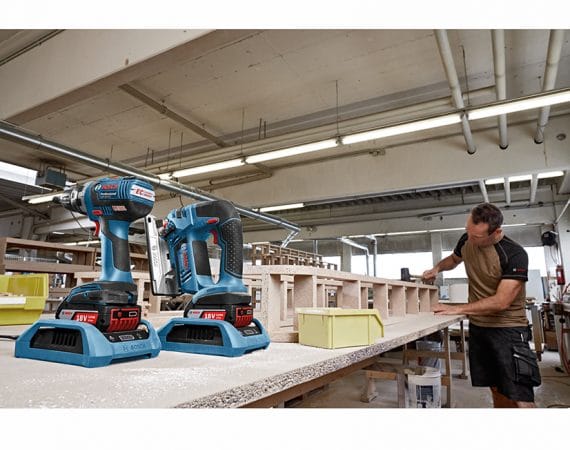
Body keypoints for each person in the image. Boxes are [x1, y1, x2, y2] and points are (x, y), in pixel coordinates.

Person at [422, 203, 541, 408]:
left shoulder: (514, 254)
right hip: (480, 328)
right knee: (495, 387)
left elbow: (501, 301)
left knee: (519, 395)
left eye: (476, 236)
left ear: (496, 232)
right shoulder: (467, 239)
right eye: (467, 231)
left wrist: (457, 309)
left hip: (508, 329)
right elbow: (454, 259)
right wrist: (437, 268)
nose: (469, 238)